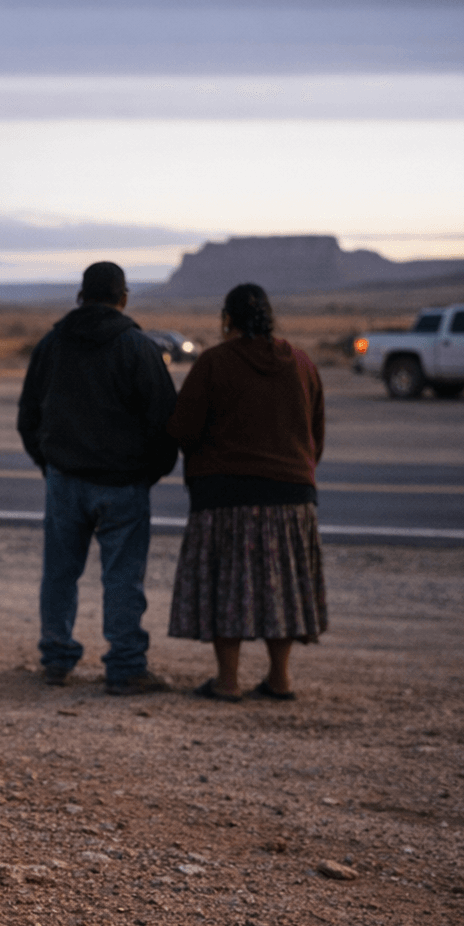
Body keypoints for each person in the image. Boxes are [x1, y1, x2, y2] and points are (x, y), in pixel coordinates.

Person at [16, 261, 179, 695]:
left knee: (59, 573)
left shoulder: (52, 345)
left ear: (80, 296)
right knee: (123, 577)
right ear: (122, 297)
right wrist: (149, 472)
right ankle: (125, 666)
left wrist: (50, 463)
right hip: (123, 484)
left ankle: (56, 658)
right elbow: (165, 419)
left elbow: (28, 414)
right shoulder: (138, 348)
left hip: (65, 479)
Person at [166, 283, 327, 701]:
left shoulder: (214, 363)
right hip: (292, 496)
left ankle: (227, 681)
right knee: (281, 587)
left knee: (229, 586)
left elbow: (183, 428)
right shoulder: (302, 363)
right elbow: (315, 434)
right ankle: (280, 678)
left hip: (224, 497)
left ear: (227, 320)